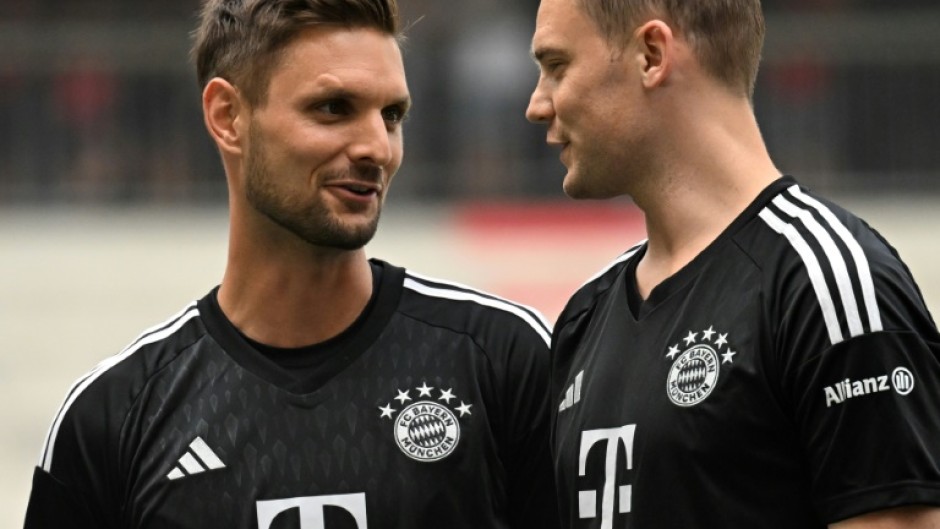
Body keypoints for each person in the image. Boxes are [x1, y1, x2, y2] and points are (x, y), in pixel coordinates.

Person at [24, 1, 559, 528]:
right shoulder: (113, 419)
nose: (378, 147)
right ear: (227, 117)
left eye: (391, 115)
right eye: (333, 108)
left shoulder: (501, 360)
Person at [524, 0, 940, 528]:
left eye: (557, 66)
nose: (537, 104)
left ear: (651, 55)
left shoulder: (824, 280)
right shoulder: (586, 316)